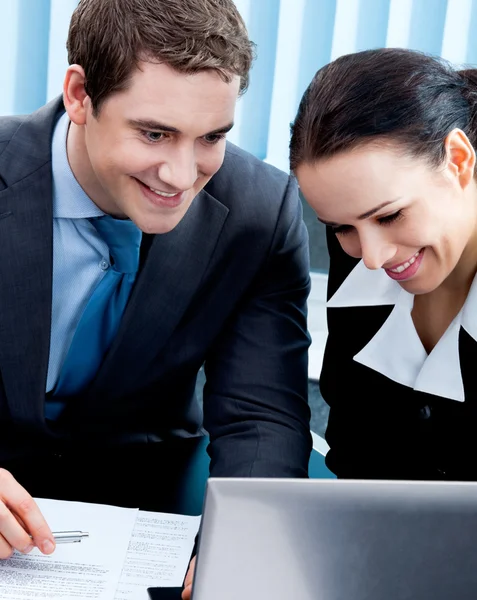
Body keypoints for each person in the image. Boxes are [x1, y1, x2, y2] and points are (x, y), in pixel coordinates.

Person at [0, 0, 312, 587]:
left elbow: (260, 418)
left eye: (211, 137)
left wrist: (240, 543)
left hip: (146, 520)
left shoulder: (260, 213)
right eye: (154, 133)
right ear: (79, 95)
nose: (180, 173)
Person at [290, 47, 477, 482]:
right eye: (340, 228)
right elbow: (355, 452)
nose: (371, 258)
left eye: (390, 215)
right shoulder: (360, 244)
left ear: (459, 161)